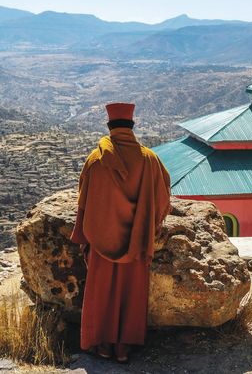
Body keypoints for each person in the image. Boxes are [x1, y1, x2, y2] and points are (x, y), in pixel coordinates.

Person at [70, 102, 171, 363]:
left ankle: (102, 345)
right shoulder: (149, 159)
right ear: (132, 126)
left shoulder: (96, 160)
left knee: (102, 292)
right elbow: (162, 200)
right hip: (136, 242)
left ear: (109, 127)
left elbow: (84, 201)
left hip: (102, 240)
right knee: (131, 293)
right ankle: (124, 348)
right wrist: (151, 225)